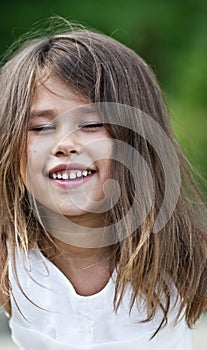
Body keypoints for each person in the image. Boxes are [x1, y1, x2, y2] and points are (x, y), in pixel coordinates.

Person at [0, 18, 206, 350]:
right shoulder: (10, 261)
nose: (65, 143)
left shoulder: (186, 253)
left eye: (92, 123)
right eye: (39, 128)